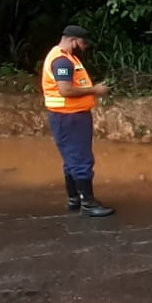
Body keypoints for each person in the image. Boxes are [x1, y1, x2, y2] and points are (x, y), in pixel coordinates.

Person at [40, 24, 115, 217]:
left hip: (69, 116)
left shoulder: (65, 57)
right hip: (69, 117)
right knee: (81, 159)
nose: (84, 47)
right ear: (73, 40)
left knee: (72, 159)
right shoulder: (62, 61)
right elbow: (65, 90)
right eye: (83, 43)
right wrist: (95, 90)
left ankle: (75, 199)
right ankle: (88, 204)